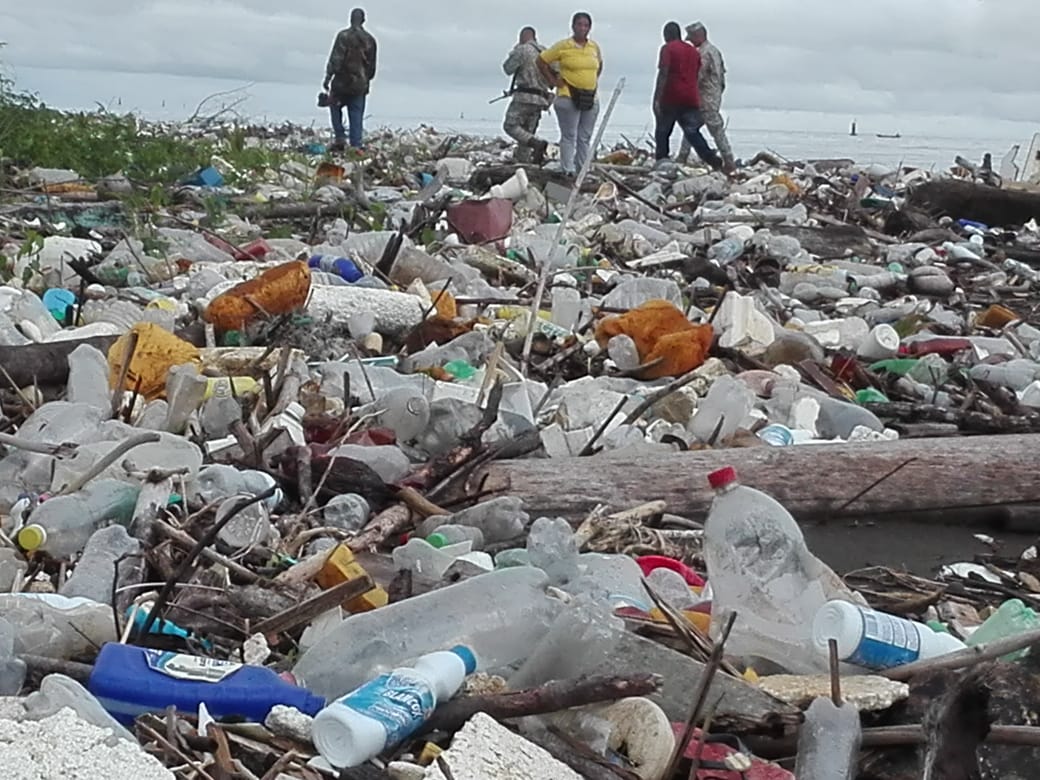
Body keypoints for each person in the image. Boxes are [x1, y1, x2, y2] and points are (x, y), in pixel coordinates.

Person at [538, 12, 603, 176]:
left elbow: (599, 65)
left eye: (586, 25)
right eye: (579, 24)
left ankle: (582, 171)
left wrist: (591, 81)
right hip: (568, 95)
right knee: (569, 135)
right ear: (573, 26)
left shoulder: (594, 47)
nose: (582, 28)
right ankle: (567, 170)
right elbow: (541, 61)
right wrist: (553, 81)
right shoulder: (563, 46)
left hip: (590, 96)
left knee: (585, 136)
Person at [653, 21, 721, 170]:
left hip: (671, 96)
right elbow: (697, 72)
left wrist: (657, 98)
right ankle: (711, 158)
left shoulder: (667, 49)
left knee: (663, 130)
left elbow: (664, 72)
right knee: (692, 132)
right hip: (690, 97)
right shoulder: (693, 52)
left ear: (667, 35)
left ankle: (662, 160)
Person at [678, 22, 735, 174]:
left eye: (691, 37)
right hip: (711, 97)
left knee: (712, 129)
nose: (689, 40)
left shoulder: (704, 53)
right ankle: (682, 156)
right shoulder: (714, 51)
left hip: (705, 99)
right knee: (691, 128)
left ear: (698, 36)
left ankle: (729, 160)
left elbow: (698, 75)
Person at [323, 8, 377, 152]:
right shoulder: (370, 40)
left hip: (341, 83)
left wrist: (328, 77)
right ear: (363, 20)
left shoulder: (343, 36)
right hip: (359, 85)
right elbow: (371, 68)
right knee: (356, 115)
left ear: (351, 19)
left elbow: (336, 59)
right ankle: (356, 145)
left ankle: (340, 137)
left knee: (335, 108)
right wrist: (366, 80)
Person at [502, 27, 553, 164]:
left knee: (510, 126)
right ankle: (523, 164)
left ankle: (537, 144)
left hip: (524, 97)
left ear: (522, 37)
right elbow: (557, 71)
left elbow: (507, 68)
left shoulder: (522, 49)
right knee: (527, 133)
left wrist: (514, 51)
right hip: (541, 99)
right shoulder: (546, 52)